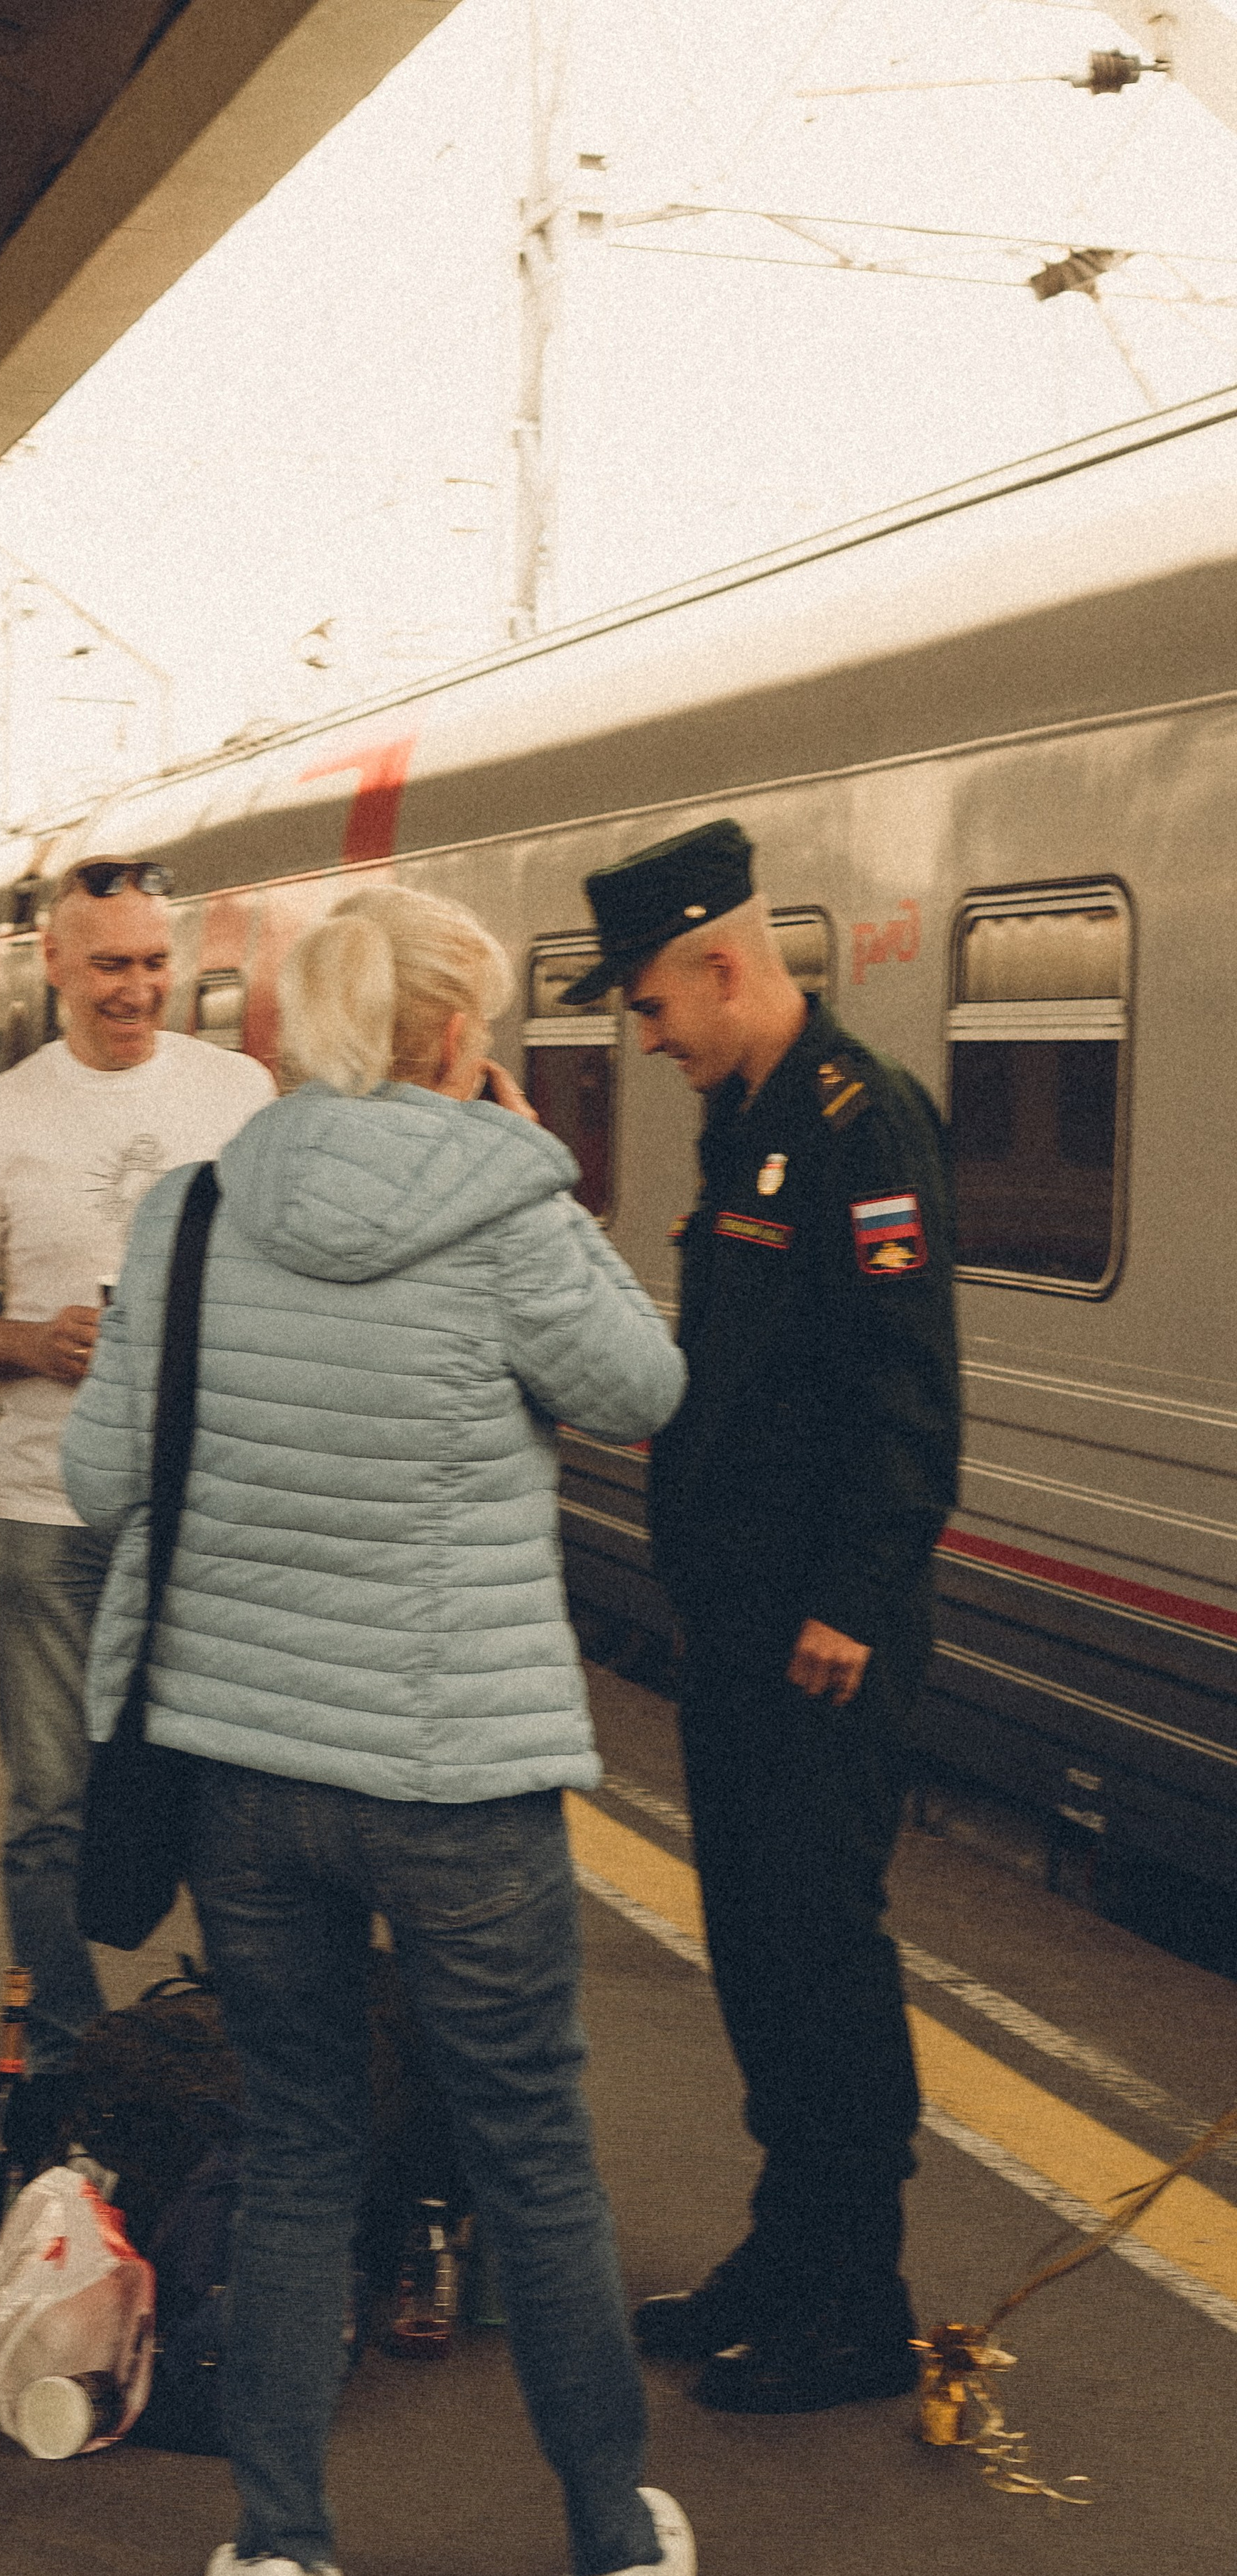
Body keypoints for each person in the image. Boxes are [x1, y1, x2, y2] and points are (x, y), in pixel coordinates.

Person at [63, 884, 694, 2576]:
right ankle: (606, 2558)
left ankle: (273, 2563)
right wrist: (529, 1175)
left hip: (247, 1772)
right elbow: (642, 1384)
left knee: (294, 2148)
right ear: (448, 1036)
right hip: (455, 1781)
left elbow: (110, 1482)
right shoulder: (510, 1204)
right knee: (533, 2160)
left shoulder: (189, 1215)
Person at [565, 817, 960, 2415]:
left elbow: (905, 1397)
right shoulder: (751, 1123)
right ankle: (782, 2254)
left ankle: (852, 2300)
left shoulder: (865, 1129)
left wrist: (850, 1603)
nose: (642, 1038)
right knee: (753, 1953)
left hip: (817, 1641)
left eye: (650, 1005)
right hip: (736, 1630)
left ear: (718, 964)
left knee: (819, 1958)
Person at [0, 860, 274, 2136]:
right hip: (48, 1509)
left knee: (228, 1804)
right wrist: (33, 1346)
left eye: (156, 962)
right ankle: (63, 2069)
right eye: (110, 964)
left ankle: (231, 2067)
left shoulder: (241, 1096)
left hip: (203, 1518)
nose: (140, 988)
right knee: (52, 1808)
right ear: (52, 966)